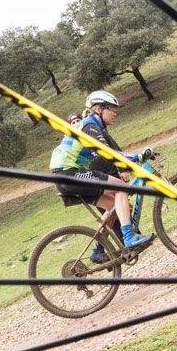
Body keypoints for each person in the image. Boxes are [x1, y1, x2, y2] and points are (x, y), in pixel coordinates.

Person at [50, 90, 151, 262]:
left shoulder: (93, 127)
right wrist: (139, 157)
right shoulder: (90, 126)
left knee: (111, 207)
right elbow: (109, 155)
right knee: (121, 188)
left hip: (66, 176)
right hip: (69, 174)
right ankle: (129, 237)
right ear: (98, 109)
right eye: (111, 109)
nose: (115, 113)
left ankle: (98, 250)